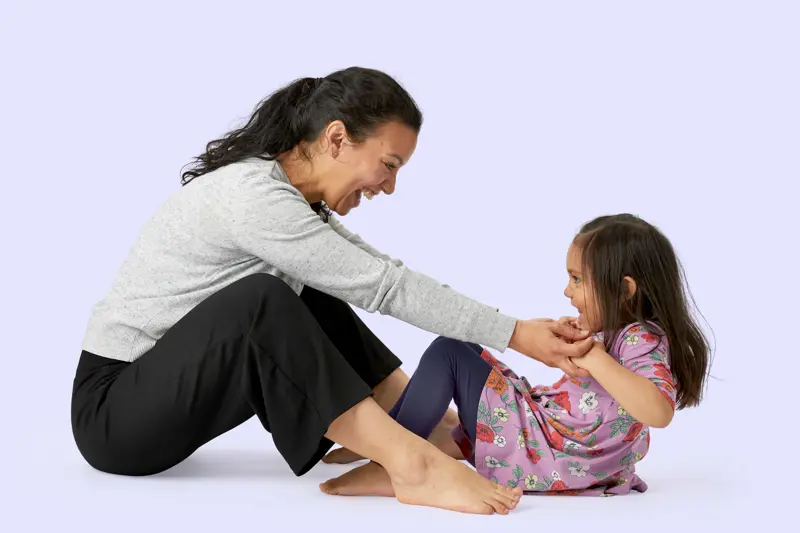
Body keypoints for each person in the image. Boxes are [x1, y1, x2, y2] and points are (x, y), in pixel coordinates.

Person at [70, 66, 596, 516]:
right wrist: (515, 334)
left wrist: (514, 328)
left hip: (162, 396)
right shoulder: (252, 198)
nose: (388, 187)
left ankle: (420, 422)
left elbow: (375, 268)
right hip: (115, 416)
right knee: (262, 301)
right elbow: (384, 288)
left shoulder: (288, 201)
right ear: (338, 138)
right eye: (388, 166)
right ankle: (411, 463)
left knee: (308, 289)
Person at [319, 213, 711, 498]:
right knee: (465, 350)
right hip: (549, 440)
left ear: (625, 290)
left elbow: (658, 411)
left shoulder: (642, 338)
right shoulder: (619, 332)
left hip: (543, 449)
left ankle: (389, 460)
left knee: (450, 352)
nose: (567, 291)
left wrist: (594, 357)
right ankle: (391, 434)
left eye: (577, 279)